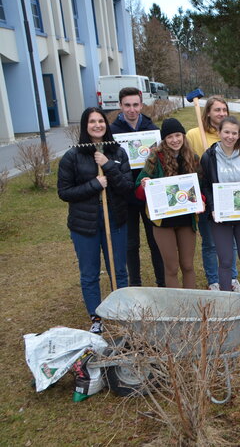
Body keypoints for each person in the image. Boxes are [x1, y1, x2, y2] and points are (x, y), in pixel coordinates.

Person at [58, 107, 132, 333]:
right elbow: (65, 192)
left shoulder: (117, 152)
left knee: (118, 269)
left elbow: (126, 187)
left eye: (101, 121)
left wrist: (108, 165)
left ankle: (121, 310)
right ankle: (96, 317)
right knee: (90, 272)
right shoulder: (73, 156)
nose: (97, 125)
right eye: (92, 122)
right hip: (85, 225)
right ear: (85, 125)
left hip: (115, 221)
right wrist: (94, 185)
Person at [200, 117, 240, 317]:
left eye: (234, 133)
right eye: (226, 132)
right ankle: (227, 302)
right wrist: (211, 207)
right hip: (220, 217)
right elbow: (205, 185)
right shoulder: (209, 156)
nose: (230, 136)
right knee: (226, 260)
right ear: (219, 132)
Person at [136, 118, 202, 289]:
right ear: (164, 139)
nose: (175, 140)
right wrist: (144, 185)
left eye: (178, 135)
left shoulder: (192, 158)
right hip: (164, 221)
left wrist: (201, 200)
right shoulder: (155, 158)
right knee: (171, 268)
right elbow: (138, 189)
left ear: (183, 136)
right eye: (170, 137)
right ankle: (176, 310)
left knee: (187, 265)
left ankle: (192, 308)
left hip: (186, 219)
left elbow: (201, 186)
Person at [110, 87, 165, 288]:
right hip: (125, 195)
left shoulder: (153, 130)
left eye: (135, 105)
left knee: (155, 242)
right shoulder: (112, 132)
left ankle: (162, 283)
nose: (131, 110)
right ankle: (135, 284)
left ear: (141, 105)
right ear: (120, 106)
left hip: (150, 194)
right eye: (127, 105)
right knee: (130, 244)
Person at [186, 96, 239, 291]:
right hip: (205, 194)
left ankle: (232, 278)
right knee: (209, 242)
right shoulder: (193, 134)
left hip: (228, 195)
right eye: (217, 110)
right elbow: (186, 161)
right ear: (208, 112)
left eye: (224, 110)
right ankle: (214, 281)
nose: (221, 113)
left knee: (230, 241)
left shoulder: (229, 134)